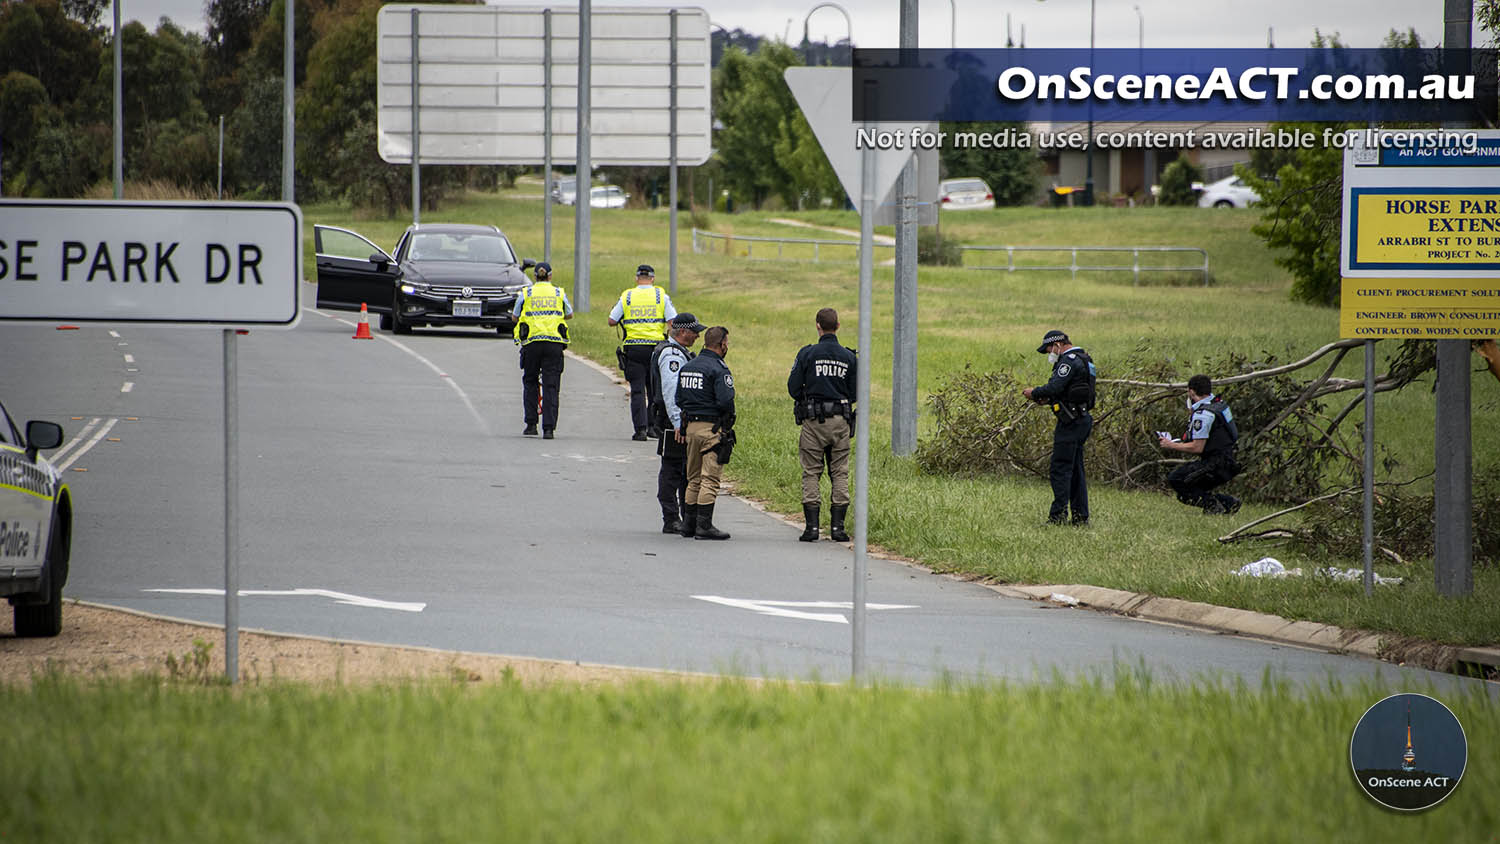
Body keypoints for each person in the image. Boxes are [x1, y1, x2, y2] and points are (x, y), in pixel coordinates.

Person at [786, 307, 857, 542]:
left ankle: (812, 528)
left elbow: (793, 388)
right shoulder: (849, 357)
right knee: (840, 472)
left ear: (818, 326)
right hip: (840, 422)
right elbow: (855, 392)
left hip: (813, 422)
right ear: (838, 326)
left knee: (811, 472)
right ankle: (838, 529)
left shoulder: (807, 354)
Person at [1022, 329, 1097, 525]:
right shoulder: (1085, 358)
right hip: (1082, 419)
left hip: (1071, 422)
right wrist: (1049, 400)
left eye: (1049, 350)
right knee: (1076, 470)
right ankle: (1081, 518)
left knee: (1061, 469)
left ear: (1057, 344)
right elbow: (1074, 391)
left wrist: (1035, 392)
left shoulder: (1068, 360)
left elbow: (1055, 386)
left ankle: (1057, 517)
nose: (1050, 355)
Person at [674, 325, 734, 540]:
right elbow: (726, 400)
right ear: (721, 344)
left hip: (690, 429)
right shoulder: (718, 368)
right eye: (727, 342)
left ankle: (688, 525)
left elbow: (678, 399)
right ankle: (704, 526)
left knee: (693, 478)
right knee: (710, 478)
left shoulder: (689, 366)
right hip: (711, 429)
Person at [648, 312, 706, 534]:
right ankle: (671, 518)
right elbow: (671, 390)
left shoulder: (677, 352)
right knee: (673, 469)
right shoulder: (672, 355)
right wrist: (678, 423)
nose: (697, 337)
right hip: (673, 419)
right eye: (694, 333)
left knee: (683, 468)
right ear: (683, 332)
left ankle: (683, 516)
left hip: (676, 418)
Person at [607, 264, 677, 441]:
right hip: (655, 348)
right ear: (652, 279)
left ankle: (640, 430)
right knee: (654, 390)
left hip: (634, 348)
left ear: (637, 279)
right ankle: (653, 427)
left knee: (637, 391)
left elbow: (611, 320)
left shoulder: (628, 296)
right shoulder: (661, 296)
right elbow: (672, 321)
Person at [1159, 374, 1242, 515]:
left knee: (1176, 479)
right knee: (1189, 487)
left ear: (1191, 392)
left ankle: (1215, 506)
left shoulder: (1203, 415)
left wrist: (1170, 445)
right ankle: (1228, 503)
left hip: (1216, 464)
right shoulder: (1219, 404)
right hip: (1230, 461)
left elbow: (1197, 447)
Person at [511, 262, 574, 439]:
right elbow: (569, 314)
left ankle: (531, 424)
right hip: (553, 343)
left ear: (535, 277)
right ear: (550, 276)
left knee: (530, 381)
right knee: (551, 385)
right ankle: (549, 428)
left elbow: (515, 317)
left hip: (531, 343)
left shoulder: (527, 293)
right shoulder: (558, 293)